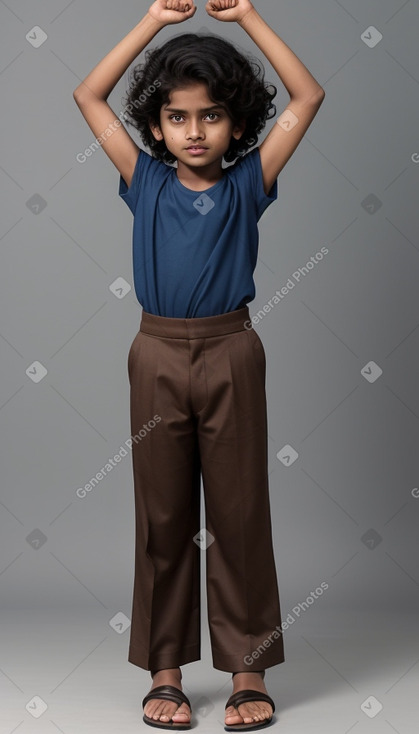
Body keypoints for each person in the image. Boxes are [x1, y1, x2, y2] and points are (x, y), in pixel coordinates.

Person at [73, 0, 325, 729]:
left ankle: (249, 671)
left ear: (237, 125)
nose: (193, 131)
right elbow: (88, 94)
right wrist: (150, 22)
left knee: (241, 512)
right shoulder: (143, 179)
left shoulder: (250, 180)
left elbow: (306, 96)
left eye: (211, 116)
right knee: (162, 516)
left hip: (231, 351)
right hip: (153, 352)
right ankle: (165, 671)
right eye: (177, 117)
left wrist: (248, 18)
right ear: (154, 127)